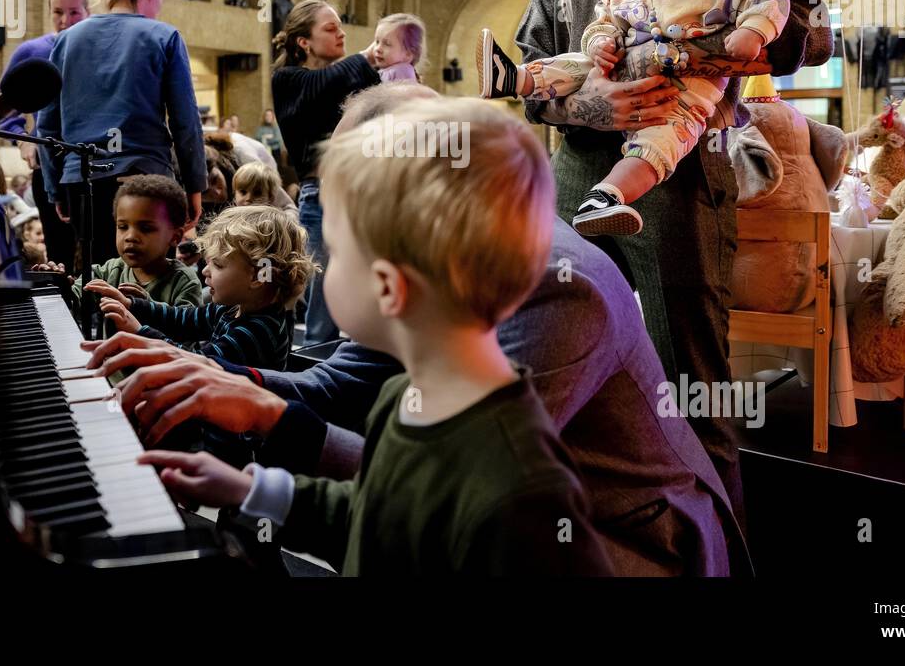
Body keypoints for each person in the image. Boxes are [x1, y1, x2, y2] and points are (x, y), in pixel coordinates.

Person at [88, 82, 747, 575]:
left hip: (629, 541)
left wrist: (271, 420)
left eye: (338, 244)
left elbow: (448, 493)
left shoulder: (553, 290)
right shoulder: (445, 285)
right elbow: (388, 457)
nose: (314, 266)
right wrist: (244, 423)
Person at [513, 0, 830, 523]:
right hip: (575, 182)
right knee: (561, 369)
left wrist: (711, 49)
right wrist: (595, 102)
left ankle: (722, 551)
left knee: (690, 388)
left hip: (684, 181)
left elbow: (813, 34)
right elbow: (526, 83)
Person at [137, 99, 613, 575]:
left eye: (337, 251)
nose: (319, 267)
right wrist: (253, 491)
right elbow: (378, 511)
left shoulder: (517, 488)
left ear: (388, 287)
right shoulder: (403, 394)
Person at [482, 0, 790, 236]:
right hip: (613, 74)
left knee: (660, 144)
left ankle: (607, 196)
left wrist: (754, 30)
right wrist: (601, 41)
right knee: (577, 63)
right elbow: (606, 17)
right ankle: (514, 78)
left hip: (676, 98)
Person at [37, 0, 206, 265]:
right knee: (148, 288)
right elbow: (186, 122)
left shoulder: (66, 41)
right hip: (145, 177)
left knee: (96, 281)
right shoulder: (165, 37)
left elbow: (47, 124)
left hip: (82, 181)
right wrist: (195, 186)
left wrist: (54, 187)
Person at [271, 0, 383, 345]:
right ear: (303, 42)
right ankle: (315, 378)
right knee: (322, 300)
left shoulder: (344, 80)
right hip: (321, 197)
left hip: (361, 196)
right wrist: (366, 58)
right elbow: (318, 88)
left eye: (340, 26)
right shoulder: (289, 80)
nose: (342, 33)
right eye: (331, 28)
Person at [94, 205, 309, 371]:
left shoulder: (255, 333)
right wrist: (133, 305)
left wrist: (140, 331)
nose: (205, 271)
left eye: (218, 265)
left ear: (257, 276)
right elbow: (182, 320)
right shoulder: (232, 307)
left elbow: (193, 363)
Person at [0, 0, 90, 268]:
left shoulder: (96, 50)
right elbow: (2, 108)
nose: (65, 20)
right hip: (48, 165)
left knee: (95, 251)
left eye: (74, 12)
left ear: (88, 12)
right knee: (59, 252)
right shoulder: (32, 51)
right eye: (58, 12)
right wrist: (22, 139)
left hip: (92, 164)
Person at [36, 174, 200, 312]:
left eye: (145, 228)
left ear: (175, 237)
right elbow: (73, 304)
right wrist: (58, 285)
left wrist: (144, 306)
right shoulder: (107, 272)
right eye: (122, 227)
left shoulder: (185, 281)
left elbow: (185, 333)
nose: (130, 237)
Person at [365, 12, 426, 83]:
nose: (378, 49)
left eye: (387, 44)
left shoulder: (402, 71)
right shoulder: (383, 70)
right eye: (377, 42)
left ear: (408, 54)